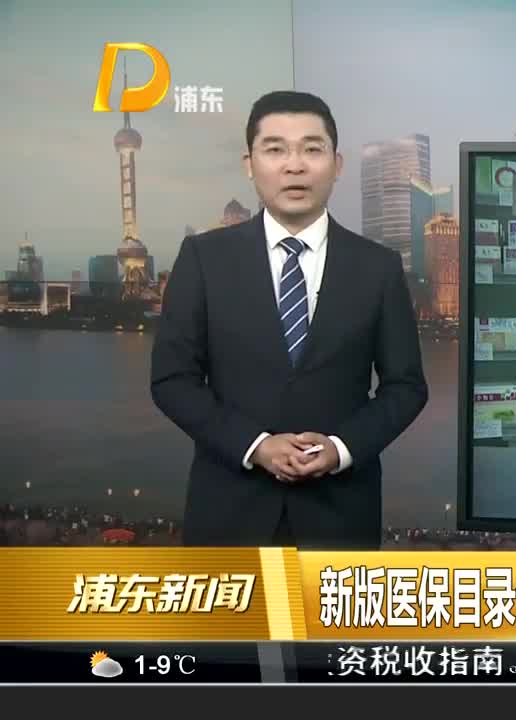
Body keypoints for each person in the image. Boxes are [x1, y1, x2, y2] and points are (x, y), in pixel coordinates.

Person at [150, 90, 428, 549]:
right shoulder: (203, 258)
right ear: (249, 163)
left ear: (337, 164)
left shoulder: (378, 267)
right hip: (228, 516)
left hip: (341, 518)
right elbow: (172, 380)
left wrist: (340, 449)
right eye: (275, 149)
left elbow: (406, 387)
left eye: (312, 149)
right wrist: (255, 446)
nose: (294, 166)